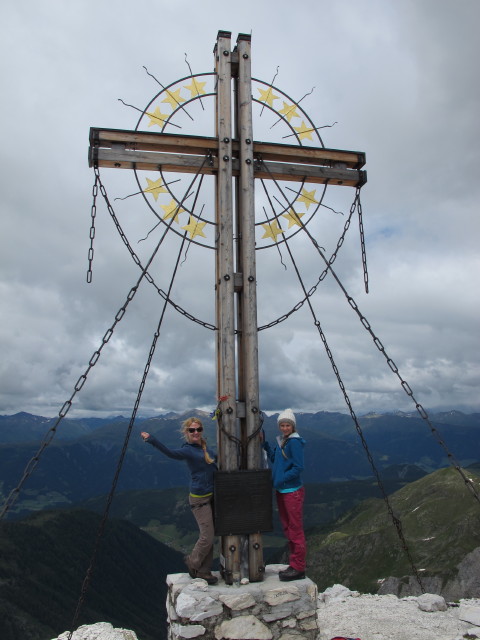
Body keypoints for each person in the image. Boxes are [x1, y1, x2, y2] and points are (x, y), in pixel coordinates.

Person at [140, 417, 218, 585]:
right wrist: (152, 440)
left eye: (198, 429)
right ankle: (193, 562)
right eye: (192, 430)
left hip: (212, 495)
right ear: (186, 433)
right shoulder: (188, 450)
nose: (195, 432)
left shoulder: (206, 448)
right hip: (200, 498)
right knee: (207, 536)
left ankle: (204, 571)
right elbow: (170, 453)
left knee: (210, 536)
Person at [262, 408, 306, 581]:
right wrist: (265, 445)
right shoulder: (284, 441)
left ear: (293, 426)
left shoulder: (294, 442)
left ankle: (299, 567)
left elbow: (298, 467)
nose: (285, 428)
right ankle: (294, 564)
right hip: (283, 490)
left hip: (292, 491)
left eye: (288, 425)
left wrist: (281, 480)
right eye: (282, 425)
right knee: (289, 528)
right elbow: (276, 459)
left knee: (295, 529)